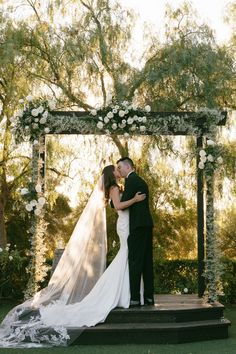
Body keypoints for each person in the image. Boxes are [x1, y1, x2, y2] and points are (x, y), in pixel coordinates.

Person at [0, 165, 145, 348]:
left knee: (125, 256)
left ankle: (125, 293)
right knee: (125, 255)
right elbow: (118, 206)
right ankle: (122, 294)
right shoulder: (114, 188)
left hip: (124, 224)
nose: (118, 170)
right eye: (116, 169)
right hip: (124, 224)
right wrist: (135, 199)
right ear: (111, 174)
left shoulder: (114, 188)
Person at [117, 157, 154, 307]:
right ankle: (149, 297)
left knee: (135, 261)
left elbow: (122, 204)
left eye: (120, 167)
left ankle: (135, 298)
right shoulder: (141, 181)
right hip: (146, 224)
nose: (119, 170)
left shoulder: (131, 181)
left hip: (137, 226)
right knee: (147, 261)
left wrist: (115, 200)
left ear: (127, 167)